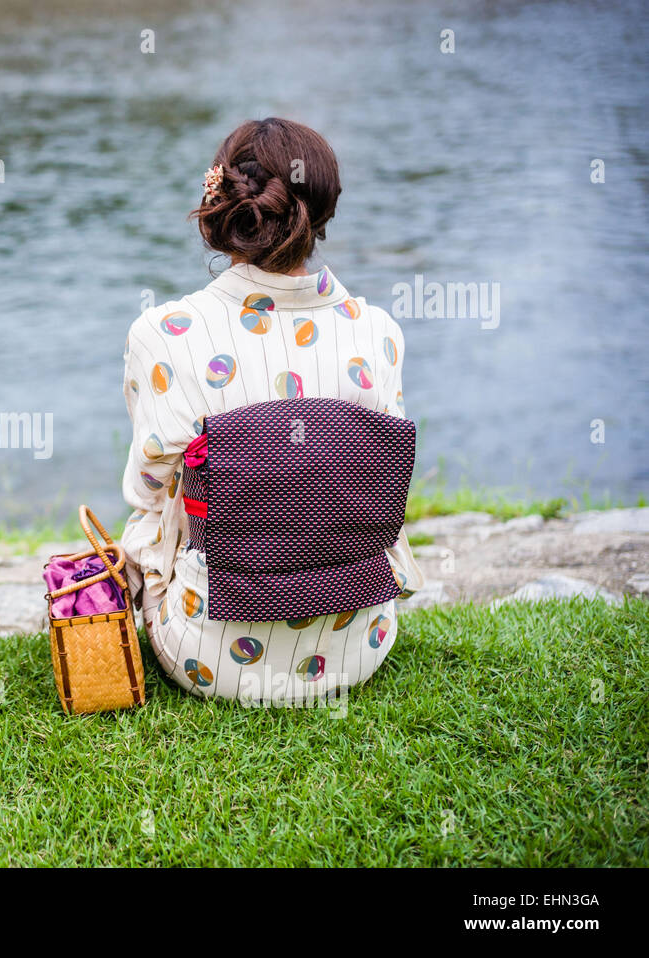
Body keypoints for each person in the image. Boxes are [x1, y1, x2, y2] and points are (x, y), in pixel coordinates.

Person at [120, 118, 424, 704]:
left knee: (157, 510)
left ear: (222, 206)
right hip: (361, 641)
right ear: (324, 206)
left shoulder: (164, 334)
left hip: (209, 654)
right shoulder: (378, 332)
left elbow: (149, 491)